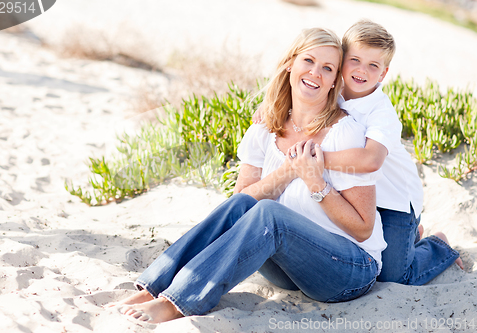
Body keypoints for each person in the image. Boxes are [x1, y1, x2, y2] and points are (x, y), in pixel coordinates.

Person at [105, 27, 387, 323]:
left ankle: (177, 303)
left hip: (349, 270)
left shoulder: (345, 134)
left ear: (334, 82)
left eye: (327, 68)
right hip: (290, 269)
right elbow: (242, 202)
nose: (315, 73)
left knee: (270, 214)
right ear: (291, 64)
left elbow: (362, 229)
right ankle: (154, 289)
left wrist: (315, 182)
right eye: (309, 61)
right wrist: (290, 170)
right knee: (241, 205)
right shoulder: (264, 129)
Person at [255, 19, 462, 285]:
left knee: (394, 276)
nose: (362, 71)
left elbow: (371, 159)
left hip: (393, 201)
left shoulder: (381, 112)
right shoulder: (333, 90)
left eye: (373, 65)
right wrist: (270, 106)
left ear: (383, 73)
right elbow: (299, 96)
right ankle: (410, 238)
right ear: (341, 62)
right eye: (355, 60)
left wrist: (313, 160)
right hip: (360, 196)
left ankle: (436, 246)